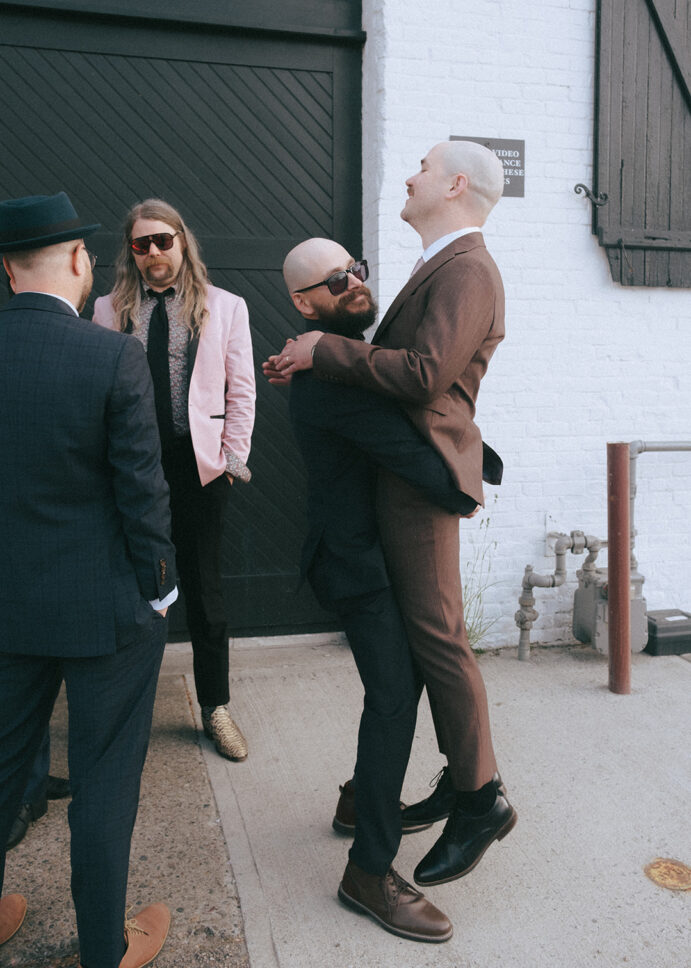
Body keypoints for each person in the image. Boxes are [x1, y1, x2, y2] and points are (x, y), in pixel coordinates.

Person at [267, 140, 516, 888]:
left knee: (438, 640)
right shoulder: (440, 262)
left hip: (420, 488)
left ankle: (478, 800)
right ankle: (456, 782)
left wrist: (321, 351)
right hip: (399, 492)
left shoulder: (467, 266)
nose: (409, 173)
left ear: (453, 183)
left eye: (421, 165)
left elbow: (424, 375)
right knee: (422, 647)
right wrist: (317, 353)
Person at [282, 236, 487, 942]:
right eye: (334, 282)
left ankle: (354, 802)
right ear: (303, 304)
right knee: (396, 698)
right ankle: (367, 870)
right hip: (357, 567)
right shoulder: (328, 381)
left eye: (357, 270)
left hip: (371, 558)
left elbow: (409, 393)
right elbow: (432, 474)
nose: (354, 284)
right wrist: (471, 465)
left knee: (401, 691)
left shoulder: (343, 366)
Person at [0, 191, 177, 968]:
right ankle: (103, 950)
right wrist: (160, 586)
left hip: (5, 609)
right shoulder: (112, 355)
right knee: (105, 783)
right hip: (106, 611)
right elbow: (142, 489)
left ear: (7, 271)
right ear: (77, 263)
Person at [94, 199, 255, 762]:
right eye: (141, 244)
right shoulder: (108, 308)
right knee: (131, 588)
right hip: (131, 468)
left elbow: (241, 390)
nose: (153, 252)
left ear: (182, 241)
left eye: (162, 240)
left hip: (198, 468)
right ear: (131, 253)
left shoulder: (226, 307)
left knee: (204, 590)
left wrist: (232, 461)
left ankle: (216, 707)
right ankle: (122, 711)